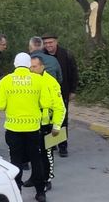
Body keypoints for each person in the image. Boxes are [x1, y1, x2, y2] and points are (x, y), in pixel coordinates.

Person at [0, 53, 54, 202]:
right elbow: (46, 103)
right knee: (36, 160)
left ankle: (17, 191)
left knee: (16, 161)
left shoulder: (6, 81)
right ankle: (40, 193)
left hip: (13, 128)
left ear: (14, 64)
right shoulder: (38, 80)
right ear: (29, 65)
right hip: (33, 128)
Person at [24, 55, 66, 192]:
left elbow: (60, 107)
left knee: (47, 155)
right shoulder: (28, 80)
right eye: (30, 66)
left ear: (42, 67)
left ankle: (47, 179)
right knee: (33, 153)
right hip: (31, 124)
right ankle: (35, 177)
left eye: (34, 66)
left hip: (46, 125)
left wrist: (57, 126)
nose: (31, 69)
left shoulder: (51, 82)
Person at [42, 34, 78, 157]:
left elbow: (74, 72)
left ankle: (63, 146)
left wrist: (73, 90)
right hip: (45, 94)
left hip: (62, 92)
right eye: (46, 43)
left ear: (56, 42)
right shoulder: (41, 55)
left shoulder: (66, 54)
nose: (48, 45)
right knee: (48, 120)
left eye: (50, 42)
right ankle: (52, 144)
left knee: (62, 119)